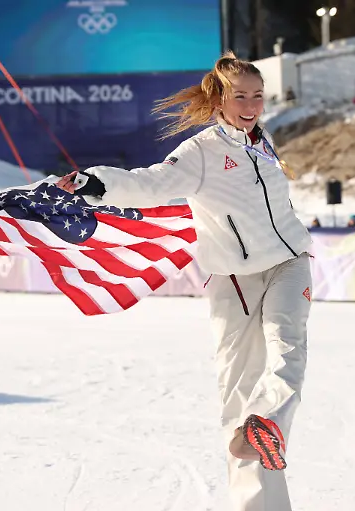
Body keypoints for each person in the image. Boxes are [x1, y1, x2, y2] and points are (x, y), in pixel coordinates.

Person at [56, 51, 313, 511]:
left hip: (291, 261)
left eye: (258, 95)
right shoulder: (201, 152)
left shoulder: (263, 141)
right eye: (241, 96)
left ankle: (268, 420)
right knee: (237, 396)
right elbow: (150, 184)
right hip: (235, 280)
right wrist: (93, 183)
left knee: (287, 349)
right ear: (219, 100)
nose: (251, 104)